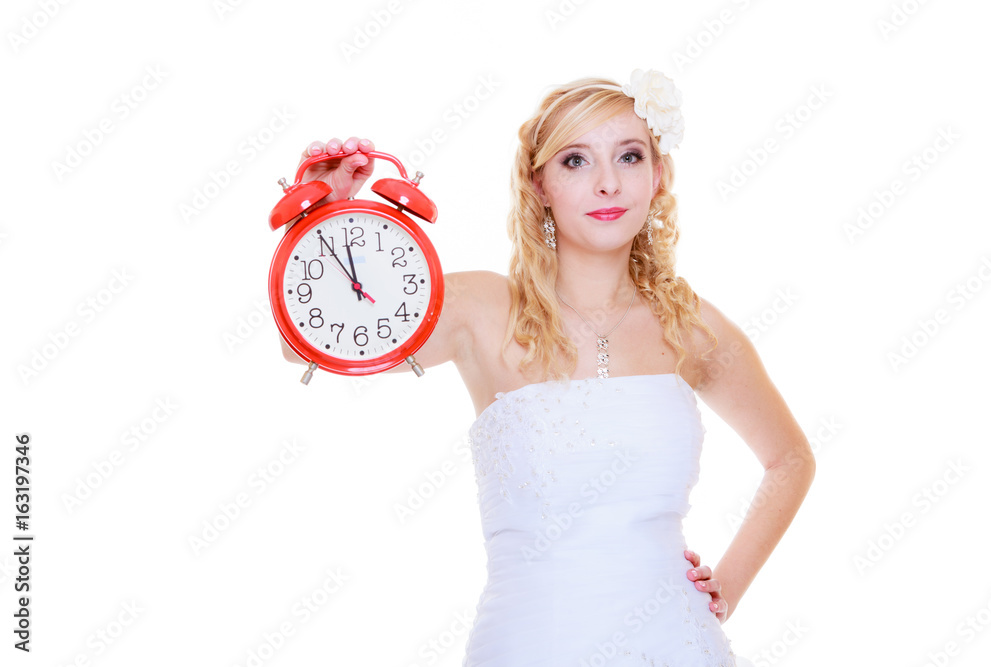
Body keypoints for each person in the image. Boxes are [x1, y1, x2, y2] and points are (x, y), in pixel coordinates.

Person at [280, 69, 814, 666]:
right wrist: (325, 222)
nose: (608, 182)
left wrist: (728, 586)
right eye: (576, 161)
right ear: (539, 184)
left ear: (657, 175)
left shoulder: (689, 325)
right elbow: (307, 343)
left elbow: (790, 459)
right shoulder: (483, 309)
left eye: (629, 156)